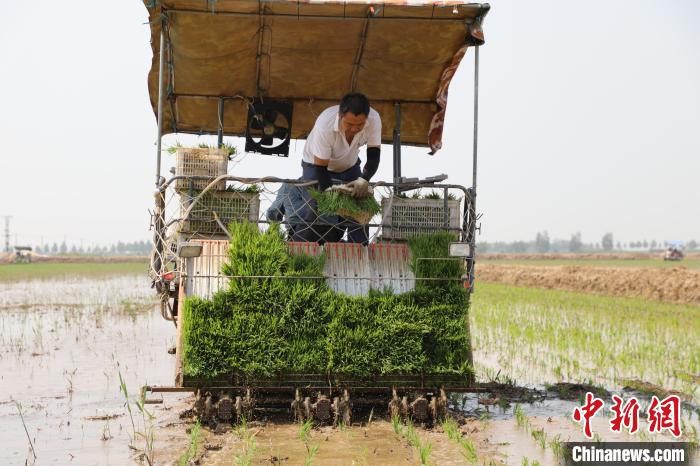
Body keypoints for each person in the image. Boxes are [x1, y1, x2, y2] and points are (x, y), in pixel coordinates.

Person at [299, 92, 381, 244]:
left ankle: (359, 251)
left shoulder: (374, 119)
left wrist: (364, 179)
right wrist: (329, 191)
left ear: (367, 118)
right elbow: (321, 168)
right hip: (317, 166)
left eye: (360, 125)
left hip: (350, 166)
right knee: (317, 207)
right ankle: (311, 250)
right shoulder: (325, 125)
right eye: (349, 124)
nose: (355, 129)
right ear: (340, 115)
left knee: (360, 207)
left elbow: (374, 154)